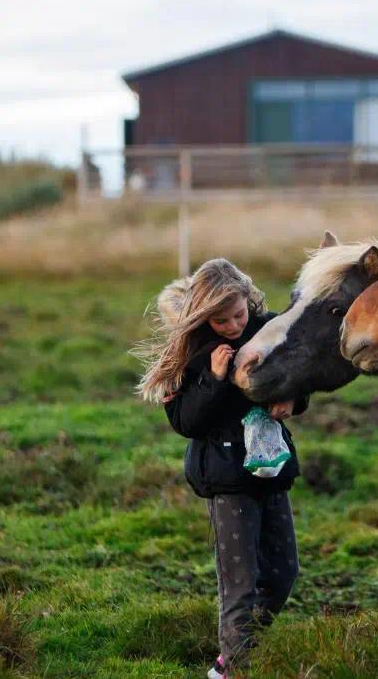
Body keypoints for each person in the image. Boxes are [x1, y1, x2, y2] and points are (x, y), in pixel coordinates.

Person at [137, 259, 307, 679]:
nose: (232, 325)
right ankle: (235, 669)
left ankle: (232, 656)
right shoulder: (190, 352)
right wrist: (213, 379)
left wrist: (293, 401)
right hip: (226, 478)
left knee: (284, 572)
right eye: (220, 319)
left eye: (238, 314)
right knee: (240, 584)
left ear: (248, 300)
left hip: (271, 470)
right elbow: (185, 423)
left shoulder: (269, 331)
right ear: (202, 315)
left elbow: (296, 381)